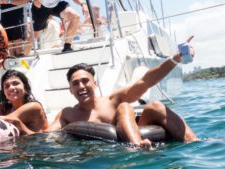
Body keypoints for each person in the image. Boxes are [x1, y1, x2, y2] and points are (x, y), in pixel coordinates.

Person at [50, 40, 198, 147]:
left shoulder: (113, 100)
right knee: (125, 107)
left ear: (95, 83)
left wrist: (175, 58)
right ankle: (139, 147)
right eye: (75, 83)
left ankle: (194, 142)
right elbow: (48, 135)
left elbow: (146, 81)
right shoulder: (67, 114)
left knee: (151, 106)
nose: (81, 86)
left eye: (85, 81)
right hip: (104, 156)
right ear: (70, 90)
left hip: (132, 139)